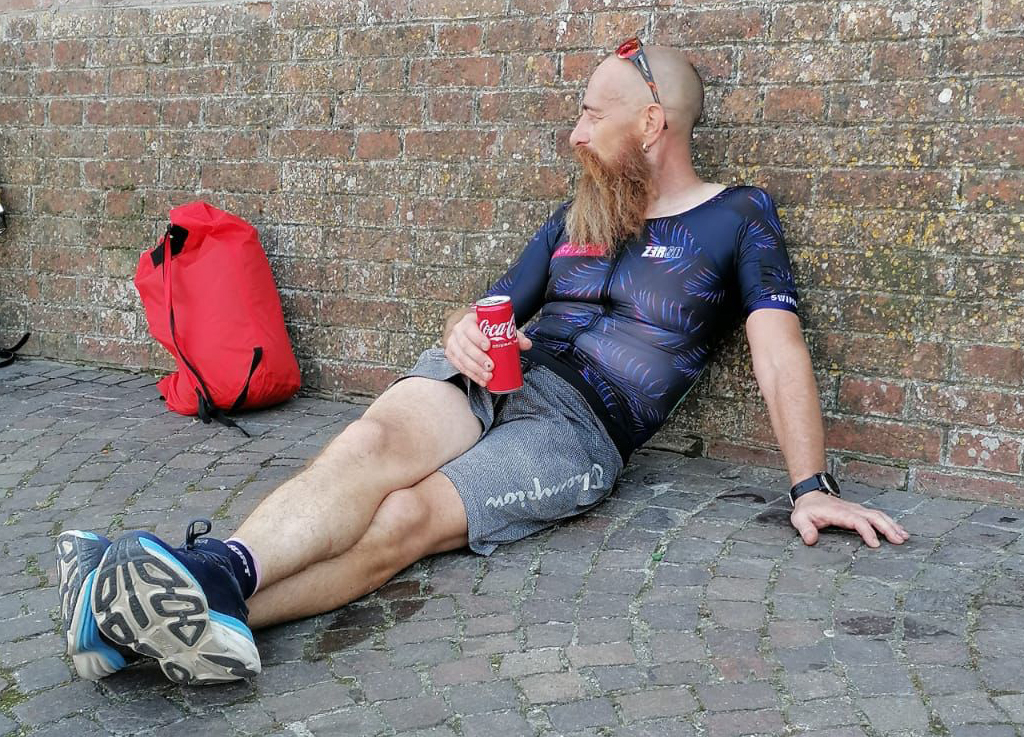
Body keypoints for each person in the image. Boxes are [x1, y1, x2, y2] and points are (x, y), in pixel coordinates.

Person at [54, 40, 910, 686]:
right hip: (497, 372)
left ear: (651, 124)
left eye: (592, 114)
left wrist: (810, 486)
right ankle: (216, 572)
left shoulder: (738, 216)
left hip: (581, 428)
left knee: (405, 518)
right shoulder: (575, 215)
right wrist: (462, 330)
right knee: (371, 445)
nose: (575, 132)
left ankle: (134, 619)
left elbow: (778, 350)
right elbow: (492, 304)